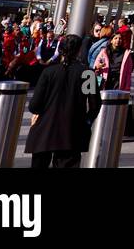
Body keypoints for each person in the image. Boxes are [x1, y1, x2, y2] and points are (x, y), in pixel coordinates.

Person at [25, 34, 99, 168]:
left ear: (60, 50)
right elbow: (95, 106)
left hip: (45, 128)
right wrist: (86, 121)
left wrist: (37, 112)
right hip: (72, 130)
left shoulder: (49, 72)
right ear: (79, 50)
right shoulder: (87, 74)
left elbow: (35, 105)